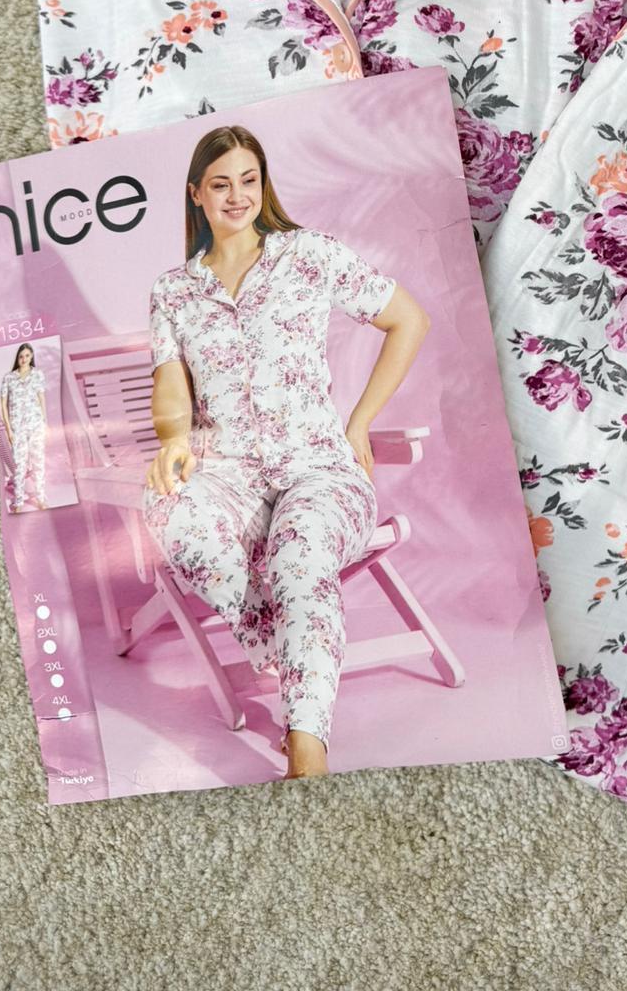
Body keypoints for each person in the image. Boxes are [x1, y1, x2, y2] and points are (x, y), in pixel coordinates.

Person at [142, 123, 430, 778]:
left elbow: (408, 319)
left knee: (299, 553)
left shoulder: (309, 254)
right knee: (166, 506)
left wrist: (360, 423)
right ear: (196, 194)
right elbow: (171, 384)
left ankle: (306, 746)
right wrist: (174, 440)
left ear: (263, 185)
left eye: (249, 180)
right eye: (221, 184)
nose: (237, 196)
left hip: (321, 471)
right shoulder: (174, 291)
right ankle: (280, 641)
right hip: (230, 477)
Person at [0, 344, 48, 510]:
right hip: (17, 428)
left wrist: (45, 423)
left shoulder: (37, 375)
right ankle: (19, 501)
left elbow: (41, 398)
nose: (24, 359)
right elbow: (3, 405)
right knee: (19, 466)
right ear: (18, 358)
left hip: (36, 425)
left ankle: (41, 498)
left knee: (38, 463)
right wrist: (8, 429)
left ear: (31, 356)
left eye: (27, 355)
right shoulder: (9, 378)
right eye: (21, 356)